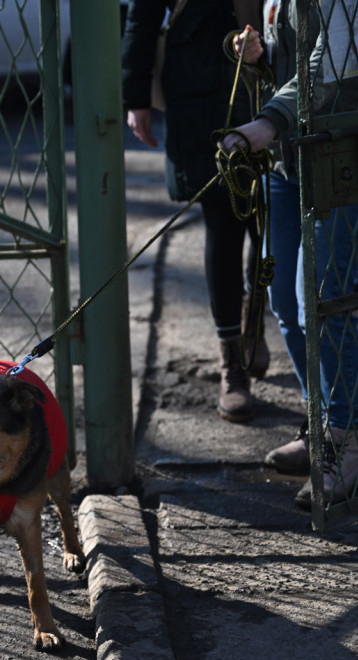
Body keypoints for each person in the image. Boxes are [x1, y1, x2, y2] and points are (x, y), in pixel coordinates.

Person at [222, 0, 358, 508]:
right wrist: (257, 53)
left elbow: (333, 60)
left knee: (321, 297)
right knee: (282, 299)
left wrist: (269, 121)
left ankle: (346, 441)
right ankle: (320, 423)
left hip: (345, 155)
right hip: (288, 165)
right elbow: (293, 54)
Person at [122, 0, 271, 425]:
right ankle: (233, 367)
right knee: (223, 225)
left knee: (271, 218)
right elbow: (143, 14)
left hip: (271, 76)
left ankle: (253, 318)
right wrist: (136, 96)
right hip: (199, 89)